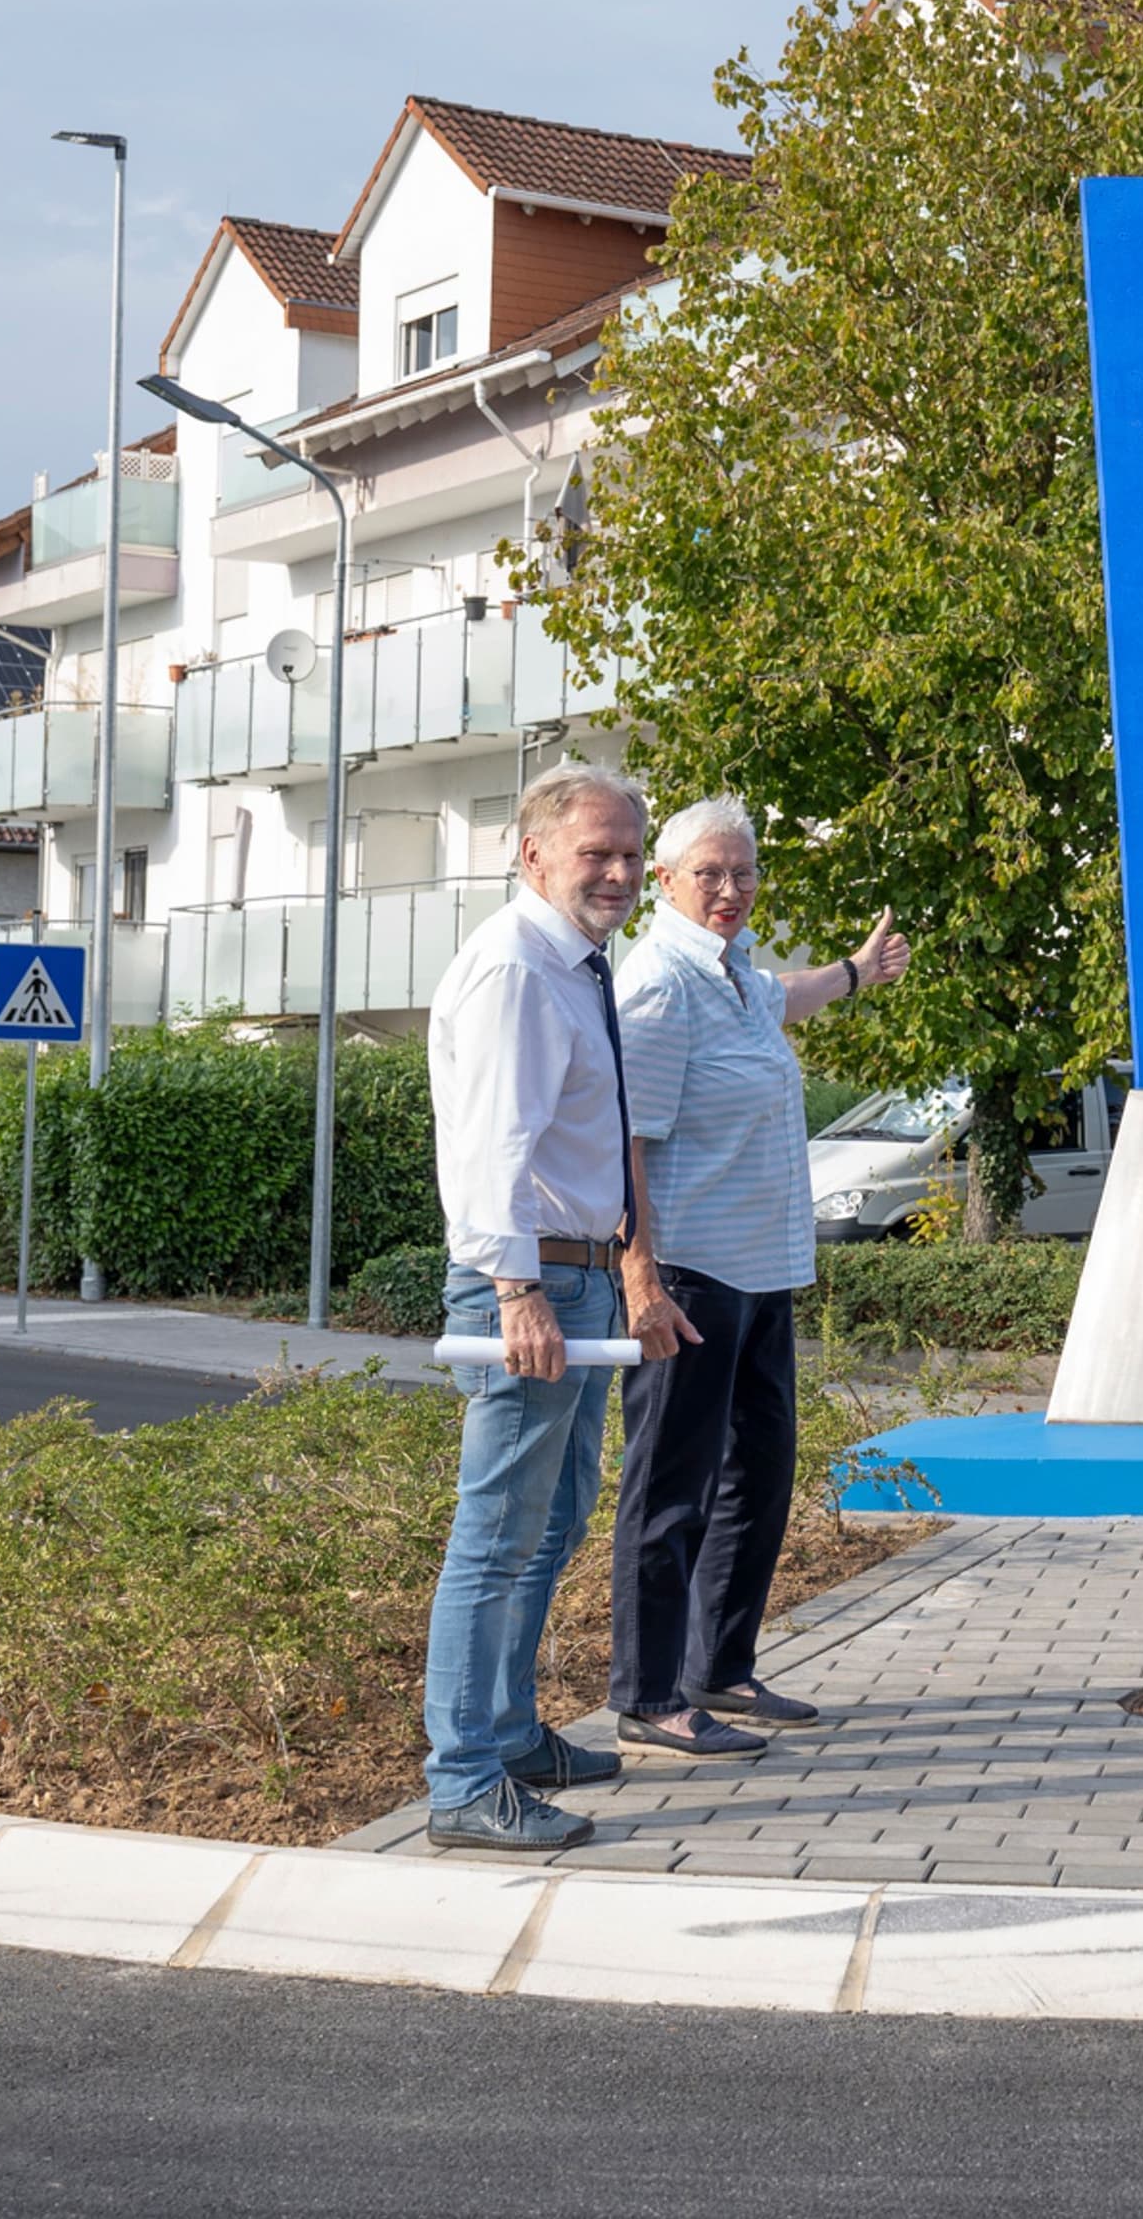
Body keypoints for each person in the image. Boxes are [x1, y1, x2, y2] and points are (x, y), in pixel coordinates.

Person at [417, 761, 697, 1852]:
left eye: (631, 854)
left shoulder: (577, 964)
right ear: (532, 854)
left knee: (549, 1524)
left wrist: (633, 1267)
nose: (622, 872)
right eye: (599, 853)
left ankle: (510, 1734)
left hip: (578, 1274)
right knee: (495, 1536)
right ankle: (462, 1781)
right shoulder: (517, 970)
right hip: (528, 1278)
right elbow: (494, 1141)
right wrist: (518, 1290)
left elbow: (591, 1131)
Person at [608, 795, 910, 1759]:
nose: (731, 890)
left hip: (761, 1271)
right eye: (710, 874)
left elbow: (792, 993)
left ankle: (720, 1668)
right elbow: (627, 1146)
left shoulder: (732, 972)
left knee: (758, 1474)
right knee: (671, 1488)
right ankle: (651, 1693)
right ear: (666, 881)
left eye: (743, 872)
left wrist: (862, 973)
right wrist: (640, 1278)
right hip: (689, 1275)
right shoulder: (658, 983)